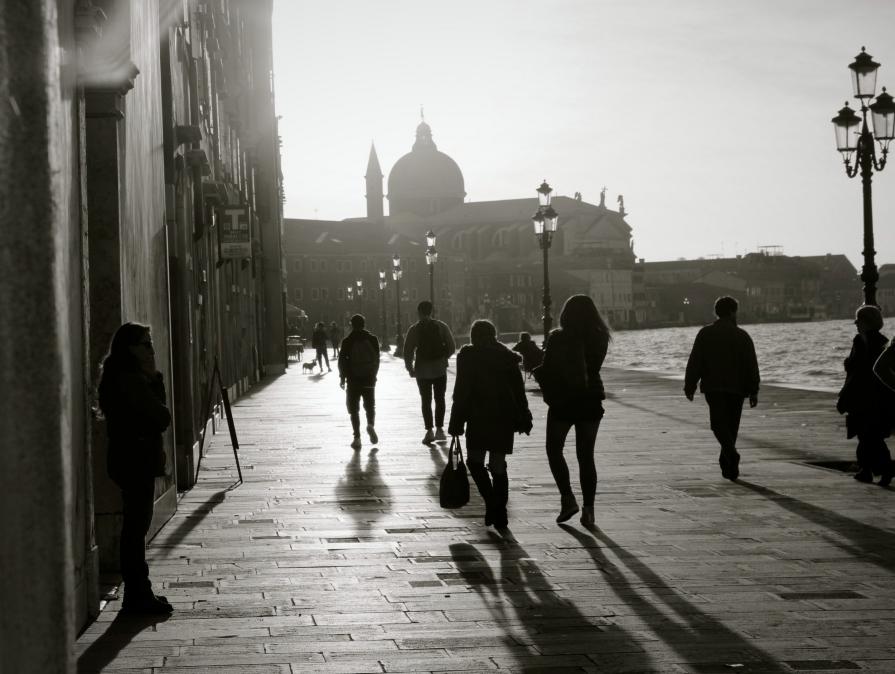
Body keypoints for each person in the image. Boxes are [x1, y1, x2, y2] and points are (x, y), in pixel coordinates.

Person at [97, 322, 173, 614]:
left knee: (136, 528)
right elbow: (161, 416)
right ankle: (137, 595)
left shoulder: (124, 376)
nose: (151, 349)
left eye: (151, 343)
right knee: (135, 530)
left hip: (130, 459)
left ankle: (139, 592)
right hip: (134, 460)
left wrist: (153, 377)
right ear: (130, 348)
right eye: (145, 344)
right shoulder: (129, 380)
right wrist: (155, 378)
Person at [448, 320, 532, 528]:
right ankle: (500, 510)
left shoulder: (468, 356)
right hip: (503, 417)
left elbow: (462, 391)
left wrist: (456, 421)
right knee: (497, 464)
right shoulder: (507, 356)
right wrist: (524, 415)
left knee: (475, 462)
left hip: (478, 416)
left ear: (473, 336)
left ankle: (492, 503)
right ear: (494, 335)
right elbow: (518, 391)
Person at [537, 295, 611, 526]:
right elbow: (594, 367)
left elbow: (549, 368)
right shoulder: (600, 337)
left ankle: (567, 498)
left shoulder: (558, 337)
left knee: (554, 449)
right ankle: (589, 510)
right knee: (586, 456)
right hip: (590, 399)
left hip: (564, 401)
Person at [684, 296, 760, 482]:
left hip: (714, 387)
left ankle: (729, 457)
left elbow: (695, 361)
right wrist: (754, 390)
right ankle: (729, 461)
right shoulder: (742, 336)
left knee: (718, 424)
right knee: (731, 427)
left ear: (716, 312)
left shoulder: (705, 334)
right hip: (737, 388)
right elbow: (751, 364)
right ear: (733, 312)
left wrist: (690, 384)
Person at [839, 305, 894, 485]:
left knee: (867, 435)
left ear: (866, 322)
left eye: (858, 321)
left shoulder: (863, 341)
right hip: (874, 397)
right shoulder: (881, 341)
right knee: (870, 435)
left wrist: (848, 364)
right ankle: (871, 469)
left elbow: (858, 370)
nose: (856, 324)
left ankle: (877, 469)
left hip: (865, 397)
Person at [403, 300, 456, 444]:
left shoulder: (414, 329)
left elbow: (407, 351)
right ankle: (440, 429)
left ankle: (429, 431)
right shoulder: (441, 326)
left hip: (422, 370)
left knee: (426, 401)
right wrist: (443, 358)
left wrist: (410, 368)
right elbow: (452, 346)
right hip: (439, 369)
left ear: (419, 312)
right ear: (431, 311)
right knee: (440, 399)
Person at [338, 314, 381, 450]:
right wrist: (374, 374)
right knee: (370, 406)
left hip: (353, 379)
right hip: (369, 378)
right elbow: (377, 359)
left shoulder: (347, 341)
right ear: (364, 324)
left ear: (351, 325)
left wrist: (342, 377)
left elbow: (342, 361)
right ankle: (370, 425)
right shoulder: (373, 339)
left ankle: (357, 438)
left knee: (353, 409)